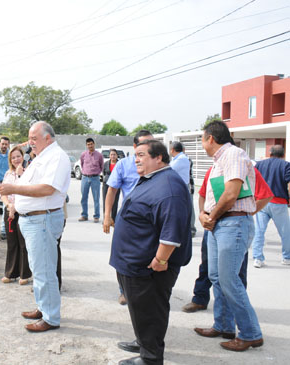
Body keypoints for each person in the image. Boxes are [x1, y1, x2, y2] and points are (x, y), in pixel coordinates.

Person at [110, 140, 192, 365]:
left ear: (159, 158)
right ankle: (143, 341)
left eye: (142, 155)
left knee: (150, 311)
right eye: (135, 155)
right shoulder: (153, 179)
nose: (136, 159)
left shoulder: (169, 186)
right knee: (141, 309)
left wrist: (160, 259)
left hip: (150, 268)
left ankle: (150, 358)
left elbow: (171, 231)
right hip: (133, 263)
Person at [194, 121, 263, 352]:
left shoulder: (233, 154)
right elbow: (212, 195)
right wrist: (205, 215)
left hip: (232, 223)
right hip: (219, 224)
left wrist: (211, 216)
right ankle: (223, 325)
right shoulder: (217, 162)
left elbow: (232, 193)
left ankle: (251, 333)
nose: (202, 145)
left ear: (211, 138)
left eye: (202, 139)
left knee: (229, 280)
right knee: (216, 277)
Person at [0, 121, 71, 333]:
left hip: (43, 220)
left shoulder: (57, 157)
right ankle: (43, 307)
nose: (30, 142)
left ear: (48, 137)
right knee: (39, 268)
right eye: (29, 138)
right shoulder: (41, 157)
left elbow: (48, 188)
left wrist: (14, 188)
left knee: (45, 270)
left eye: (34, 138)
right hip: (33, 220)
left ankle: (51, 317)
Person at [181, 165, 273, 313]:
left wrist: (247, 213)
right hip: (212, 225)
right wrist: (203, 215)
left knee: (235, 272)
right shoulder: (214, 170)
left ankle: (236, 308)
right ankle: (200, 298)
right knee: (207, 266)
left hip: (234, 228)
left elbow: (266, 195)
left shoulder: (246, 170)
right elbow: (203, 194)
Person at [104, 130, 153, 306]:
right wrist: (107, 215)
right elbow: (112, 190)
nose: (149, 147)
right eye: (144, 143)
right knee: (123, 258)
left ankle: (145, 290)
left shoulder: (157, 164)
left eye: (151, 143)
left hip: (151, 220)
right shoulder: (124, 165)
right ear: (134, 147)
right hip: (128, 219)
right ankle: (123, 290)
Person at [251, 145, 290, 268]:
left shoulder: (259, 164)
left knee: (259, 231)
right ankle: (286, 257)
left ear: (270, 152)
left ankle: (257, 258)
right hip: (279, 202)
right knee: (285, 232)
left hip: (261, 202)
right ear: (283, 154)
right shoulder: (286, 165)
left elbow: (253, 181)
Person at [0, 146, 32, 285]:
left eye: (18, 156)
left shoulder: (28, 172)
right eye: (13, 157)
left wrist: (20, 175)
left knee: (23, 243)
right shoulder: (8, 174)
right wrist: (9, 206)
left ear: (23, 157)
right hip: (10, 211)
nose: (16, 159)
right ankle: (11, 272)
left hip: (23, 212)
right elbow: (3, 193)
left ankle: (25, 274)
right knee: (12, 243)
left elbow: (25, 191)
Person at [78, 137, 103, 223]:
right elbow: (82, 164)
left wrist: (96, 173)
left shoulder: (99, 155)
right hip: (85, 178)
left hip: (95, 178)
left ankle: (96, 216)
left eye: (91, 144)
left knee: (96, 198)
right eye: (88, 144)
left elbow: (101, 166)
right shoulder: (83, 155)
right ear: (86, 145)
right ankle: (84, 215)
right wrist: (86, 172)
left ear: (94, 144)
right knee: (84, 198)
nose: (90, 146)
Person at [102, 148, 120, 222]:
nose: (113, 156)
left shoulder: (119, 164)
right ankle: (106, 218)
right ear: (109, 156)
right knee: (105, 201)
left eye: (114, 155)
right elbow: (104, 173)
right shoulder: (106, 163)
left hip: (116, 185)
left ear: (117, 156)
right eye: (111, 155)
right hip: (106, 184)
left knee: (115, 202)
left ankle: (113, 218)